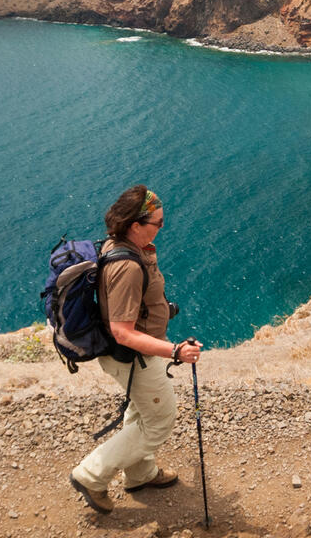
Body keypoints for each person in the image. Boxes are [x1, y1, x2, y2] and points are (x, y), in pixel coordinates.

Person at [69, 185, 202, 514]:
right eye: (157, 222)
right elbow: (122, 331)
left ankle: (140, 474)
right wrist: (174, 351)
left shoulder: (124, 246)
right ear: (135, 225)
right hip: (134, 358)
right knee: (159, 420)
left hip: (135, 358)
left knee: (141, 412)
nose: (162, 227)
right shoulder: (127, 266)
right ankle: (90, 475)